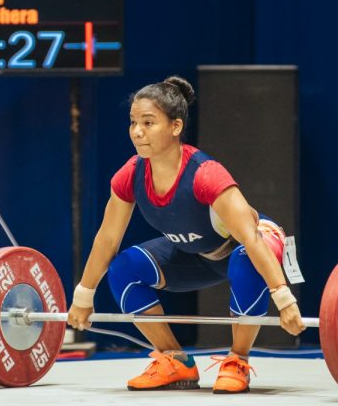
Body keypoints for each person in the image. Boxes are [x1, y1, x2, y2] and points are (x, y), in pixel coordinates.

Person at [67, 75, 305, 393]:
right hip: (197, 254)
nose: (137, 131)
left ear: (175, 126)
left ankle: (238, 360)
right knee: (124, 268)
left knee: (245, 258)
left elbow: (251, 238)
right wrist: (84, 295)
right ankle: (174, 359)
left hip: (252, 243)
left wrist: (284, 298)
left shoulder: (205, 175)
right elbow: (107, 238)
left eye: (149, 123)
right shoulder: (132, 174)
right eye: (134, 122)